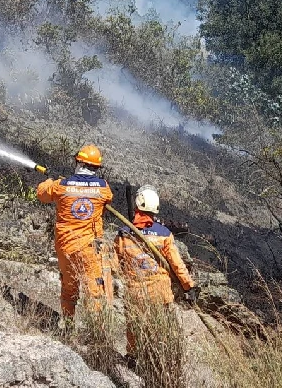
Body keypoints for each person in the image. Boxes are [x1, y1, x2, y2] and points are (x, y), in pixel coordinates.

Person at [114, 185, 196, 355]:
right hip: (161, 293)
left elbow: (115, 263)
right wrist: (189, 286)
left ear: (137, 205)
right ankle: (158, 359)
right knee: (160, 331)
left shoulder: (123, 234)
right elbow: (177, 264)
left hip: (135, 293)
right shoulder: (164, 233)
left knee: (134, 327)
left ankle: (133, 357)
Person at [36, 144, 114, 319]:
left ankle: (68, 324)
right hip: (90, 248)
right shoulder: (103, 187)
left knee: (69, 287)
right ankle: (96, 332)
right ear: (96, 167)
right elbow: (107, 200)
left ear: (79, 162)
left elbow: (41, 194)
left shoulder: (61, 185)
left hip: (66, 247)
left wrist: (49, 181)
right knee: (94, 290)